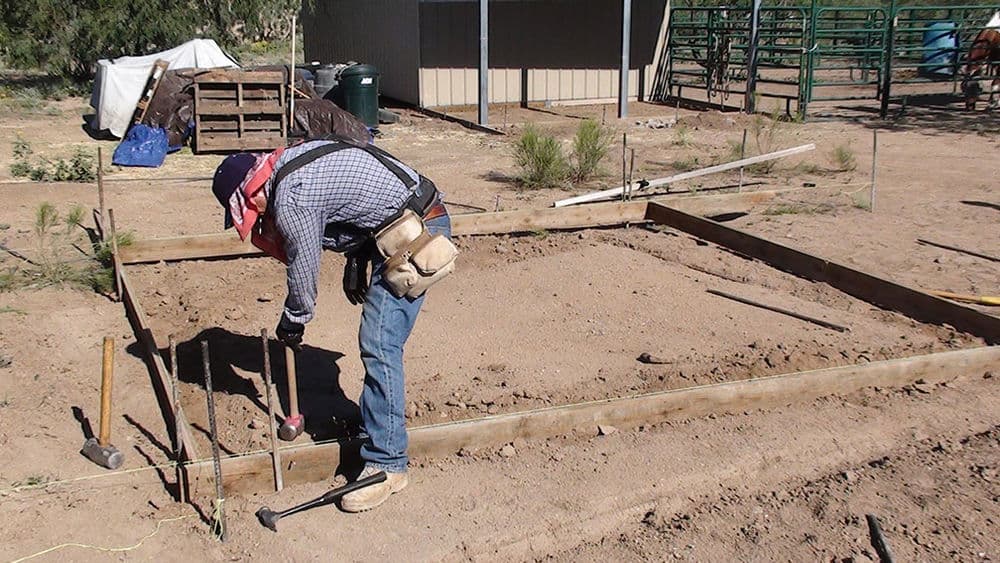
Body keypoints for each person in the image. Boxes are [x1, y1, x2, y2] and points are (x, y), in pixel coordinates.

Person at [211, 137, 455, 512]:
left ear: (253, 189)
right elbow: (358, 195)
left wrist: (293, 322)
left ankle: (388, 465)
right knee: (378, 340)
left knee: (380, 342)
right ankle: (379, 423)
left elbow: (303, 269)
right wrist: (357, 259)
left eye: (250, 210)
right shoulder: (289, 163)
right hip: (397, 225)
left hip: (418, 232)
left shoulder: (292, 195)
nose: (258, 218)